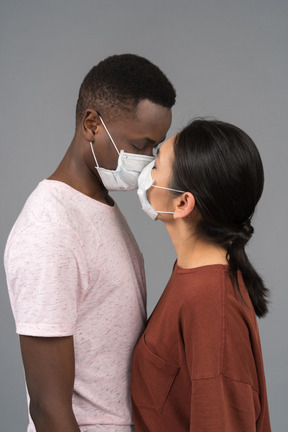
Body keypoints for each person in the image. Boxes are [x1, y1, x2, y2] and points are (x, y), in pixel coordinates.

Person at [4, 54, 176, 432]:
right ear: (92, 124)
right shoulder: (49, 228)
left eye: (155, 148)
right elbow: (49, 410)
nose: (147, 161)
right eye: (140, 145)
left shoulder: (101, 207)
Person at [131, 119, 271, 431]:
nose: (144, 172)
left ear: (182, 203)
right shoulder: (195, 274)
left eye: (155, 165)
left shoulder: (210, 304)